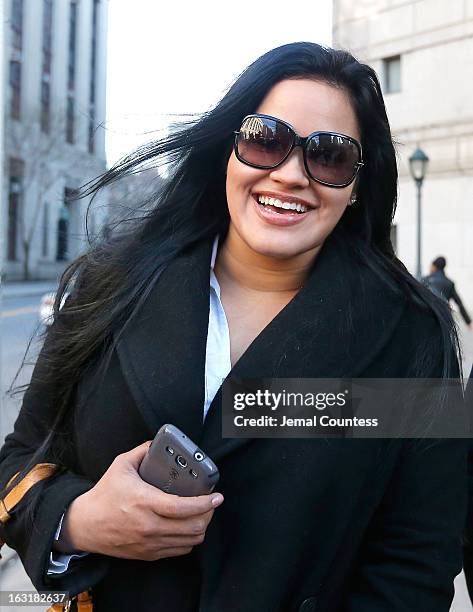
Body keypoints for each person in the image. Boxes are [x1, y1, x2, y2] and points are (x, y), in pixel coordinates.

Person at [0, 42, 467, 612]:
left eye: (330, 156)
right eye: (265, 139)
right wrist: (76, 522)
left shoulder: (413, 334)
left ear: (356, 187)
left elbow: (419, 560)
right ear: (231, 150)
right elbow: (20, 457)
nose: (292, 175)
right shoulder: (114, 284)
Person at [422, 256, 472, 328]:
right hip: (444, 318)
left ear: (434, 266)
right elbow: (459, 304)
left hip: (427, 317)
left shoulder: (425, 280)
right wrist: (468, 322)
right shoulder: (449, 283)